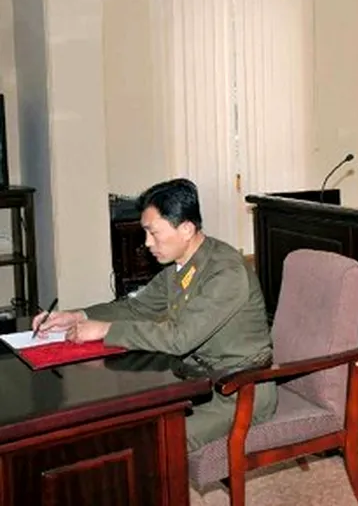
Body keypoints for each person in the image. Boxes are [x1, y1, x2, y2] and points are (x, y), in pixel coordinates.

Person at [33, 178, 277, 451]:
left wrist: (105, 330)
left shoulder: (226, 272)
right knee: (123, 423)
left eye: (154, 233)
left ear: (186, 229)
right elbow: (135, 308)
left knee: (152, 442)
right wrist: (78, 316)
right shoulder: (179, 268)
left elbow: (179, 338)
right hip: (198, 382)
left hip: (239, 391)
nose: (147, 243)